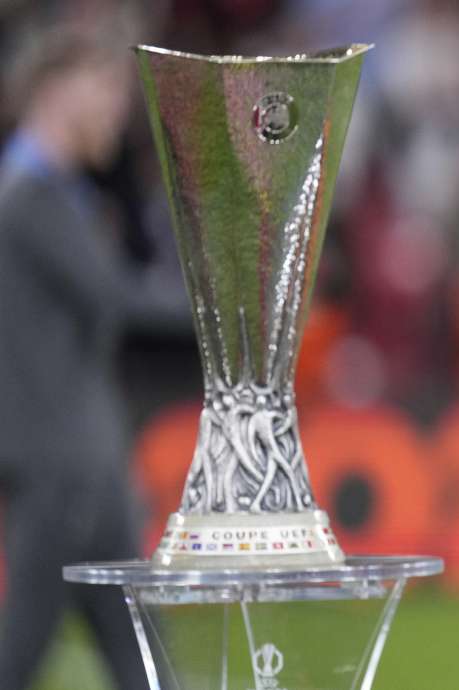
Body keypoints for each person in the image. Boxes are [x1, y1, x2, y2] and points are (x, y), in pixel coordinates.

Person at [0, 30, 147, 689]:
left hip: (82, 464)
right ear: (59, 89)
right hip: (62, 467)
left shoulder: (50, 196)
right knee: (23, 651)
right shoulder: (32, 200)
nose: (118, 110)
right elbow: (117, 296)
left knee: (141, 660)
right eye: (108, 88)